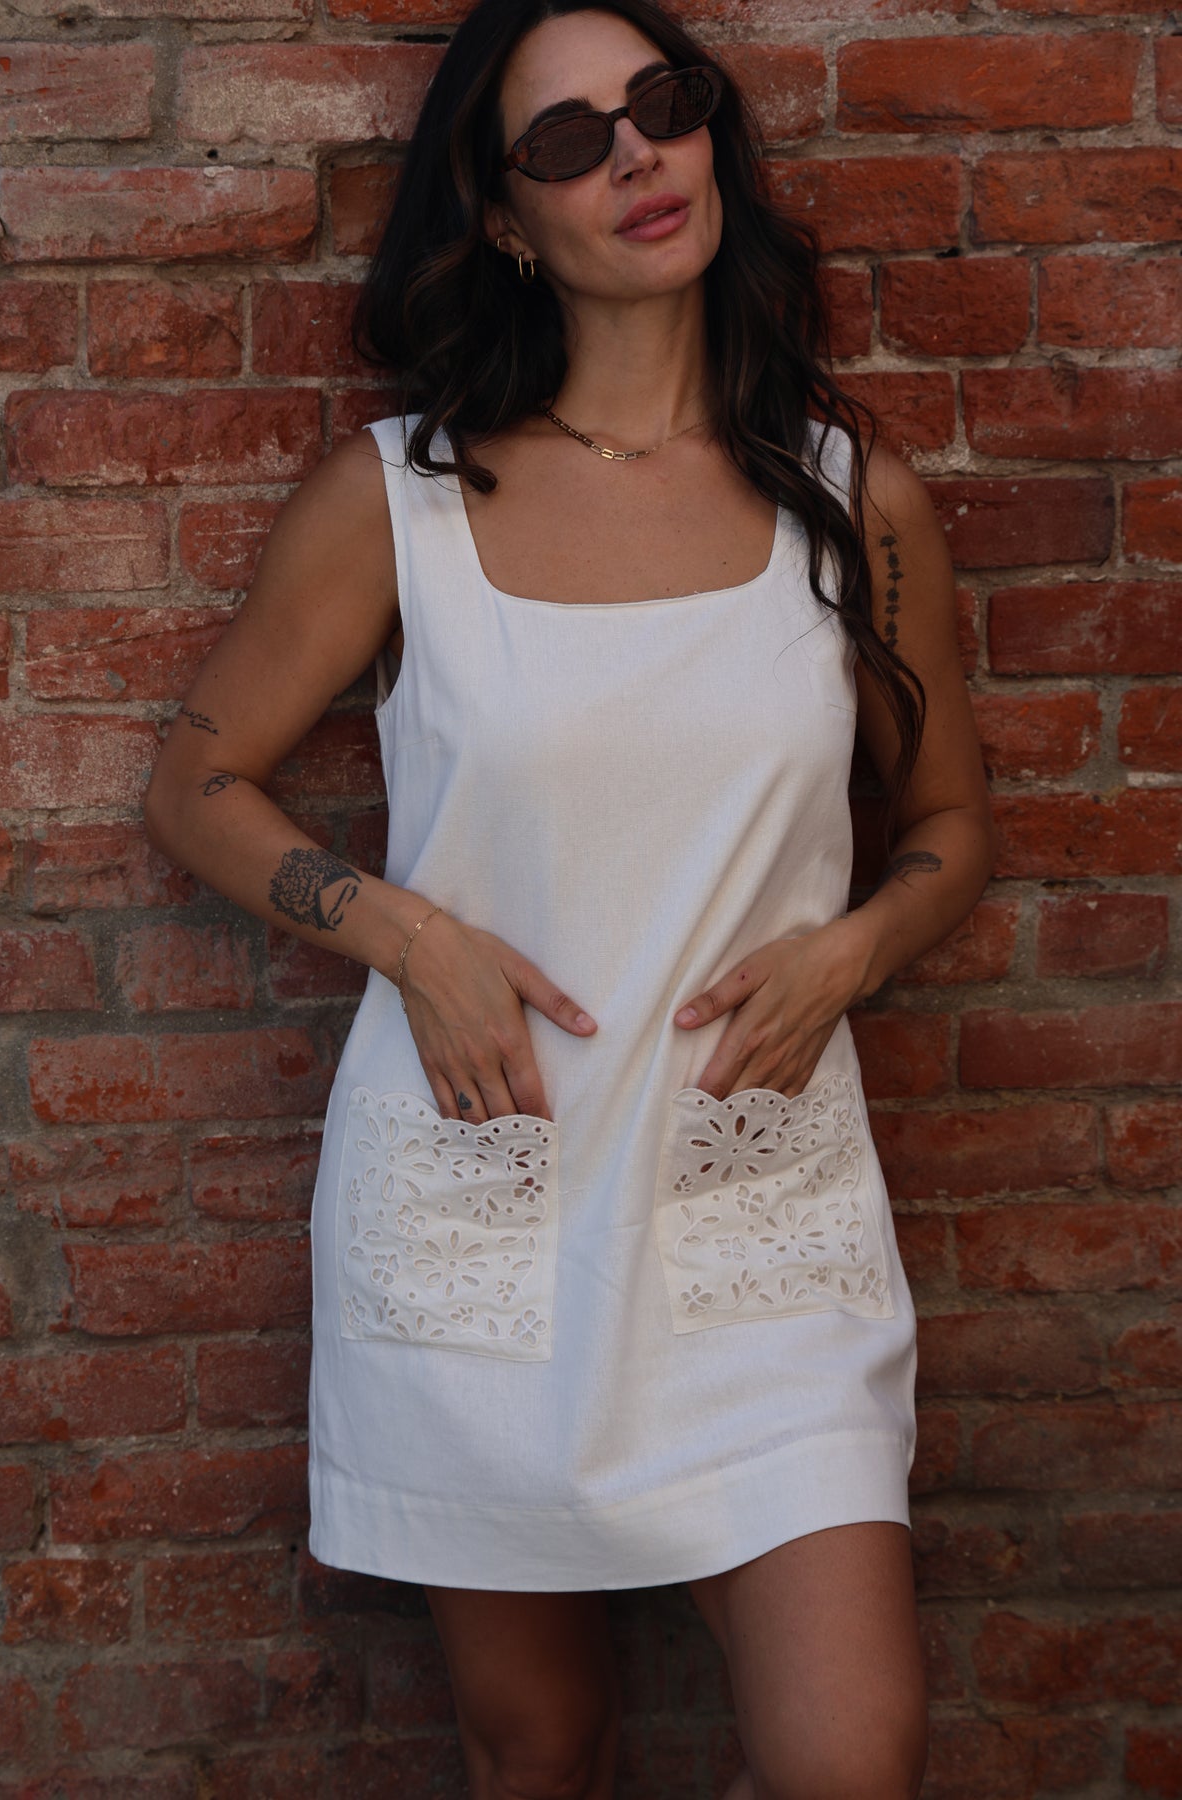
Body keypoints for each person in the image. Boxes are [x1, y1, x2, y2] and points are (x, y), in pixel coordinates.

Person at [145, 1, 995, 1793]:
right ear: (510, 222)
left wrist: (855, 946)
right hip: (486, 1186)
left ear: (712, 142)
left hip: (755, 1208)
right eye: (564, 140)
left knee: (854, 1753)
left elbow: (948, 828)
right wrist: (411, 936)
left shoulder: (851, 505)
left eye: (664, 107)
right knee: (542, 1746)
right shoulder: (404, 502)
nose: (634, 153)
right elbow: (195, 785)